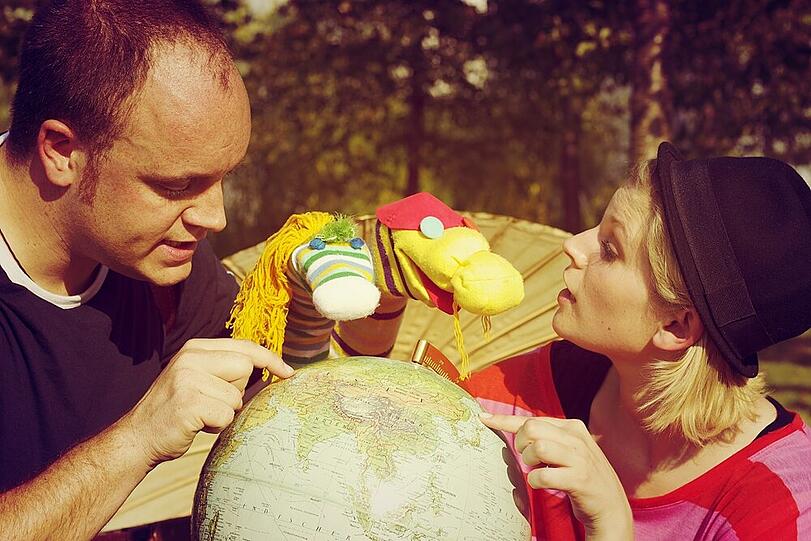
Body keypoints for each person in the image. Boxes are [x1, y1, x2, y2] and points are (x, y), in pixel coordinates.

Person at [0, 1, 293, 539]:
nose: (216, 218)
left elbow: (276, 386)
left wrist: (376, 303)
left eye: (223, 178)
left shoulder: (159, 259)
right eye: (177, 185)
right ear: (61, 151)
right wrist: (138, 439)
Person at [472, 143, 811, 539]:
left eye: (609, 248)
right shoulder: (524, 393)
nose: (573, 245)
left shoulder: (783, 506)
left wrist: (612, 528)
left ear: (676, 326)